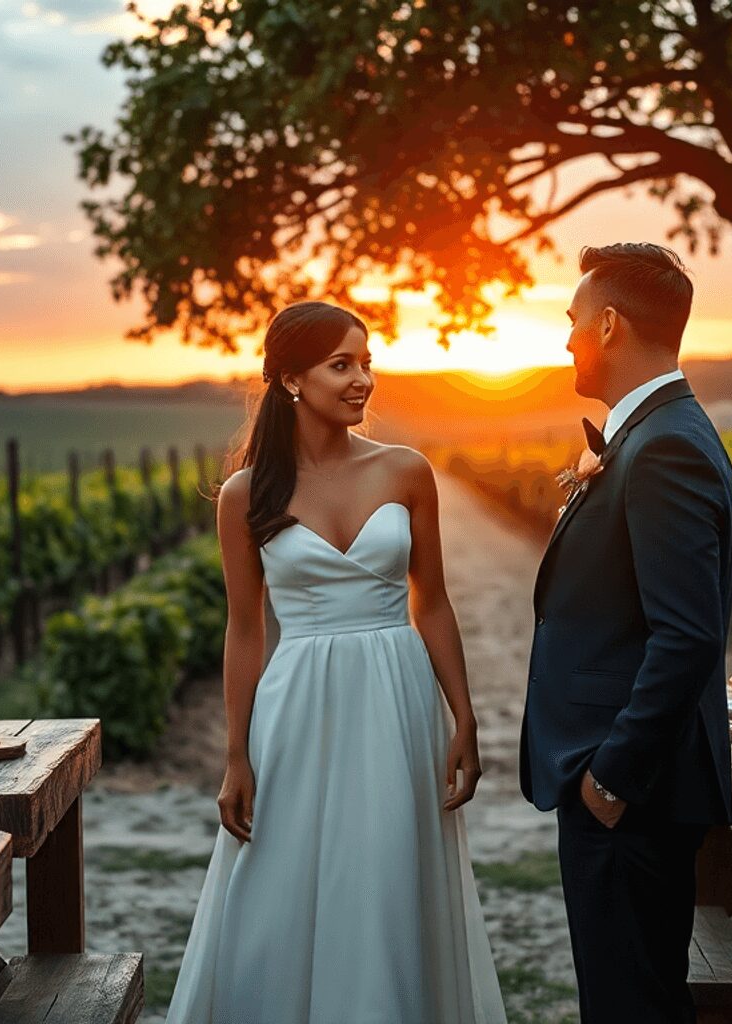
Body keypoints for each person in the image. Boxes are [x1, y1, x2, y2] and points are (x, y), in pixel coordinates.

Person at [166, 300, 507, 1024]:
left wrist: (464, 716)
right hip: (297, 705)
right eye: (341, 364)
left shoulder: (407, 472)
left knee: (388, 874)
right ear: (291, 379)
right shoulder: (244, 495)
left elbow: (433, 603)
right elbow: (245, 630)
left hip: (397, 697)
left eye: (368, 363)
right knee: (280, 875)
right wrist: (236, 754)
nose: (363, 381)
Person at [520, 243, 732, 1022]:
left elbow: (685, 637)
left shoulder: (666, 446)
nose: (569, 339)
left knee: (630, 1008)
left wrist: (610, 779)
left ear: (610, 324)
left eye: (575, 321)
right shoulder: (656, 432)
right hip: (627, 789)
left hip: (630, 793)